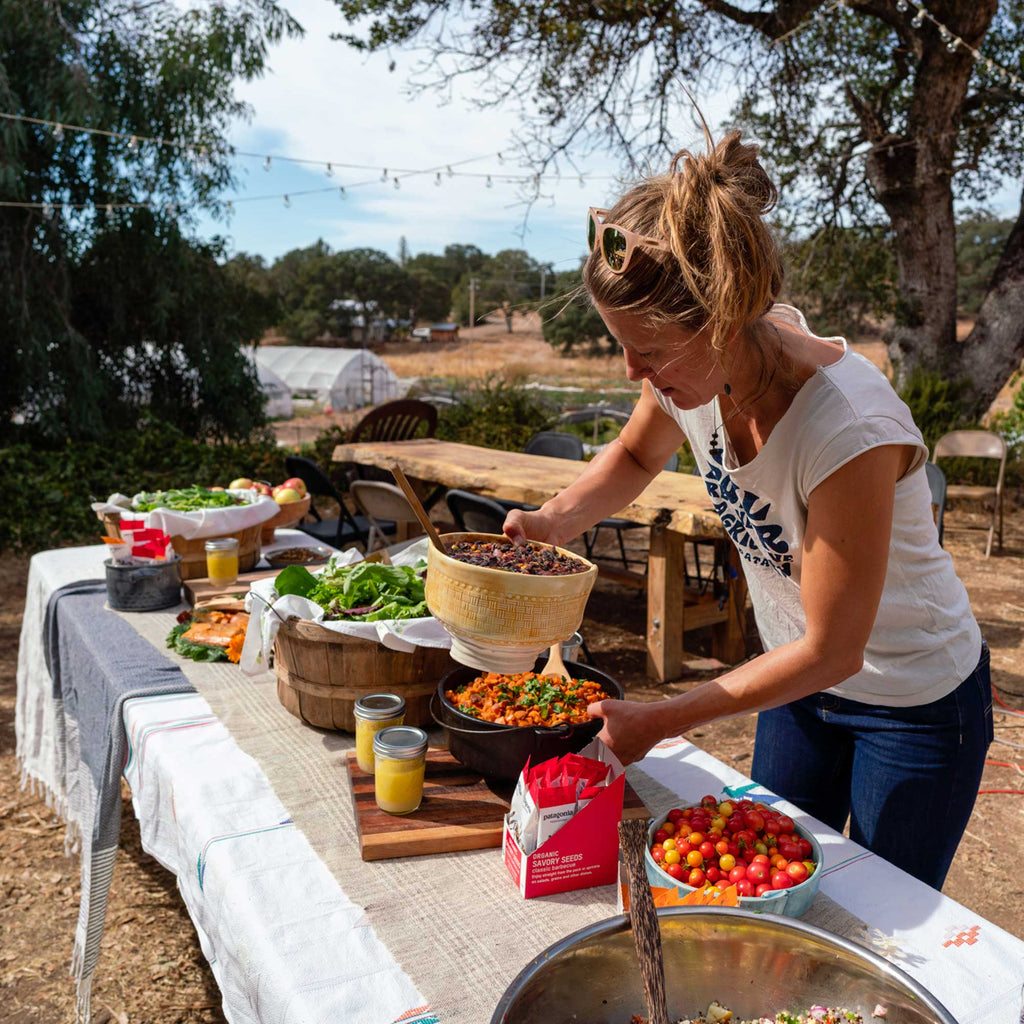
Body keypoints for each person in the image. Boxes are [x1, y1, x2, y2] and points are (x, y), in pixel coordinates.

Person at [502, 126, 991, 890]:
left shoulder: (847, 429)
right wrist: (553, 519)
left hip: (911, 703)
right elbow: (634, 456)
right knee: (760, 882)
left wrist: (661, 720)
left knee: (877, 914)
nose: (635, 371)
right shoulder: (688, 378)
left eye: (650, 352)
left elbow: (837, 647)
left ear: (725, 320)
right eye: (623, 348)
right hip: (796, 686)